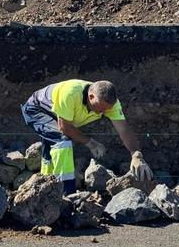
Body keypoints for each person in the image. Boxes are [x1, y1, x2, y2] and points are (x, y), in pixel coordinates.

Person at [20, 78, 152, 195]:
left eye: (106, 110)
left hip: (59, 115)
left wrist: (136, 154)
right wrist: (91, 143)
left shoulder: (110, 104)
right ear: (91, 97)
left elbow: (124, 129)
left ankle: (45, 183)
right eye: (100, 109)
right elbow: (65, 127)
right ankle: (66, 192)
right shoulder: (70, 93)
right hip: (36, 109)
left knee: (52, 145)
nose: (102, 113)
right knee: (62, 142)